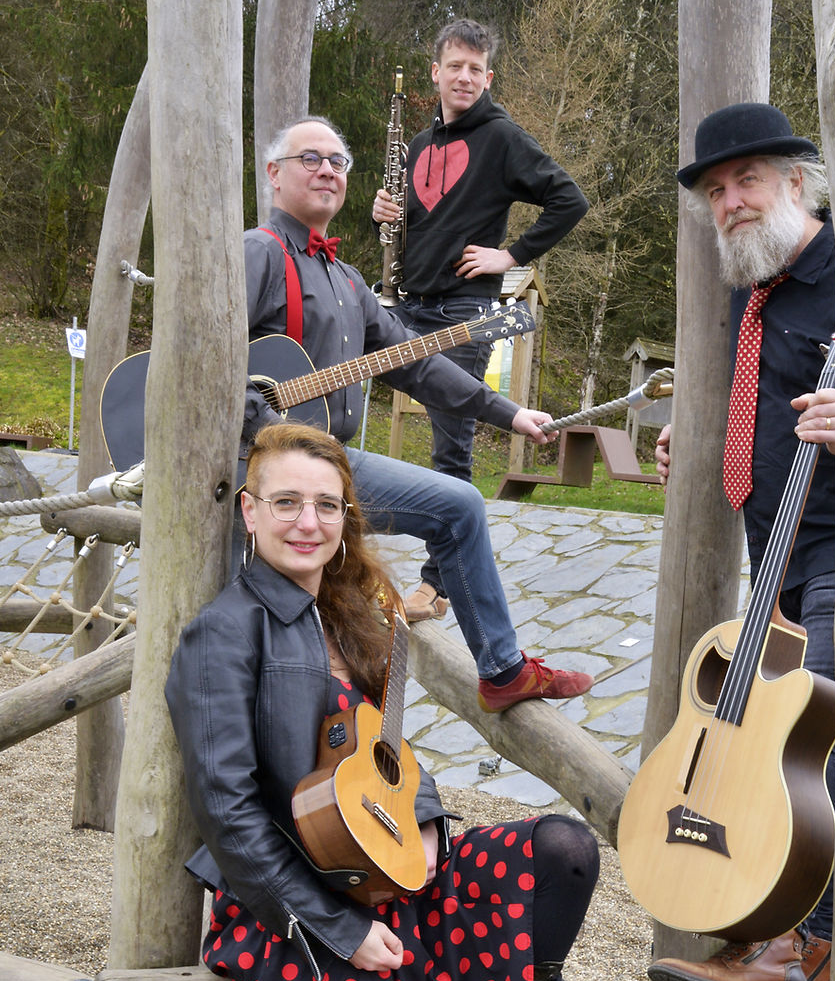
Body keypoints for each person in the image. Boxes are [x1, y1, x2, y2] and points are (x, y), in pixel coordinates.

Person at [165, 423, 601, 981]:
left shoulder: (353, 613)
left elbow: (388, 752)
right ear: (249, 509)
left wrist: (427, 826)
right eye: (288, 502)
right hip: (291, 909)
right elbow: (229, 815)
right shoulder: (222, 635)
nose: (309, 522)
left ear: (346, 518)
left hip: (389, 865)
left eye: (327, 506)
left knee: (564, 851)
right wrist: (338, 928)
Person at [647, 103, 835, 981]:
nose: (730, 200)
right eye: (715, 190)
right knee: (766, 746)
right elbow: (758, 409)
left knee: (815, 750)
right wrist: (692, 442)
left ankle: (802, 947)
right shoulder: (750, 283)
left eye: (745, 180)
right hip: (768, 555)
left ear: (794, 182)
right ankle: (781, 932)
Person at [244, 114, 592, 715]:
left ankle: (502, 671)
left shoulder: (347, 281)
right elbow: (197, 356)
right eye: (311, 158)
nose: (327, 169)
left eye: (338, 161)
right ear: (274, 175)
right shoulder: (256, 253)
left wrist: (508, 414)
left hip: (333, 465)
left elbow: (421, 366)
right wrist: (258, 423)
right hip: (253, 474)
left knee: (460, 505)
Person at [372, 19, 588, 622]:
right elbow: (411, 227)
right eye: (455, 66)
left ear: (487, 77)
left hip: (465, 312)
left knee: (450, 447)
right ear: (435, 73)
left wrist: (511, 255)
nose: (464, 77)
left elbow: (569, 199)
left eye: (476, 68)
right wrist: (381, 214)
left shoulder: (502, 138)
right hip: (407, 305)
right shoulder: (415, 145)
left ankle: (437, 585)